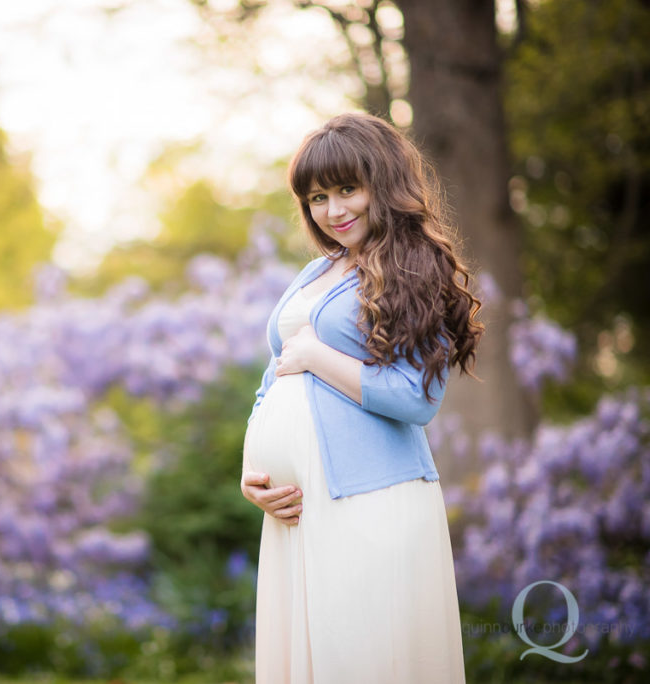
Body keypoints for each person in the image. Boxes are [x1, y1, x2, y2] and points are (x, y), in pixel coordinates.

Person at [240, 112, 483, 683]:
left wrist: (317, 356)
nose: (333, 209)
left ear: (385, 182)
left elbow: (416, 399)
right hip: (298, 510)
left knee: (361, 660)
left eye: (348, 188)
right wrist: (252, 473)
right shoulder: (316, 273)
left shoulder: (416, 265)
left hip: (368, 500)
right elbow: (276, 373)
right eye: (318, 197)